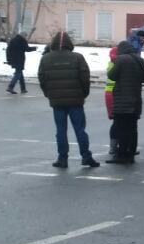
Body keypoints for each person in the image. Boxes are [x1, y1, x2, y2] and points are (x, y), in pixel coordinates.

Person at [36, 31, 100, 169]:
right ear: (69, 44)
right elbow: (85, 78)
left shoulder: (46, 58)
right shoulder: (77, 58)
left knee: (61, 130)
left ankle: (62, 158)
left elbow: (42, 78)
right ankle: (86, 156)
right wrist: (83, 94)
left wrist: (49, 94)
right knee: (80, 129)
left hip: (57, 101)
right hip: (76, 100)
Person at [106, 39, 144, 164]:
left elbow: (111, 75)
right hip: (135, 100)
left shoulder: (120, 59)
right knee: (132, 128)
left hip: (121, 101)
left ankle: (121, 154)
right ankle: (131, 155)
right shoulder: (140, 60)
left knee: (121, 127)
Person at [4, 29, 36, 94]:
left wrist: (9, 60)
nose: (25, 37)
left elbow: (8, 50)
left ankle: (23, 89)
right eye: (25, 36)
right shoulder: (22, 41)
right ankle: (10, 87)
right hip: (19, 59)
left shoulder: (13, 40)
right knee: (18, 73)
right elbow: (26, 49)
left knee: (20, 73)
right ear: (23, 36)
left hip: (13, 59)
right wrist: (34, 48)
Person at [104, 45, 119, 156]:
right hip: (115, 94)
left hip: (109, 94)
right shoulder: (116, 65)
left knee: (116, 121)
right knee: (118, 121)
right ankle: (115, 147)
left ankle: (114, 146)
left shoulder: (111, 64)